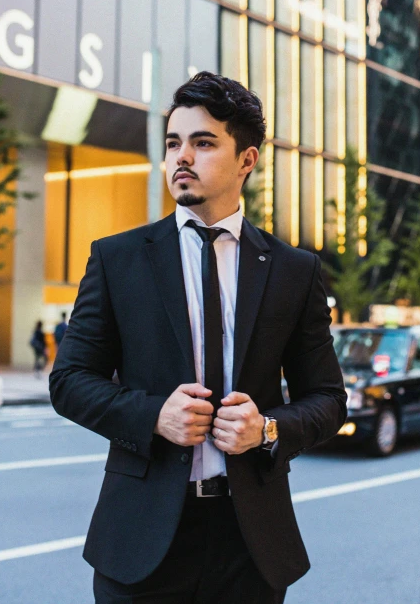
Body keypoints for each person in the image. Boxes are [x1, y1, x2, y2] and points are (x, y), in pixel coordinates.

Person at [50, 72, 347, 603]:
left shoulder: (293, 270)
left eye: (203, 142)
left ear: (246, 161)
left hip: (251, 543)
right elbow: (69, 381)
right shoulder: (117, 259)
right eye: (173, 143)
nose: (182, 156)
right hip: (141, 543)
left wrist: (269, 428)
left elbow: (328, 399)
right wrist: (153, 415)